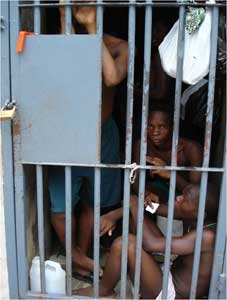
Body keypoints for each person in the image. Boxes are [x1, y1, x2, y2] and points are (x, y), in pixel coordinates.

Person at [48, 2, 128, 281]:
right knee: (59, 206)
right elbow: (65, 72)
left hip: (101, 134)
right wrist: (62, 16)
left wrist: (93, 27)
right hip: (65, 133)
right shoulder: (64, 40)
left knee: (91, 203)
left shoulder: (121, 46)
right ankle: (78, 258)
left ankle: (81, 256)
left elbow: (112, 77)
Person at [73, 183, 218, 299]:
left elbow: (151, 244)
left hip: (173, 294)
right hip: (169, 273)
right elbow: (154, 208)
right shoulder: (194, 217)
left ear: (199, 212)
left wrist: (134, 204)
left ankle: (104, 291)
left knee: (126, 243)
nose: (179, 198)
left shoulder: (206, 236)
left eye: (185, 199)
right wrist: (114, 215)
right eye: (182, 194)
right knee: (136, 217)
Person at [133, 103, 203, 204]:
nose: (155, 132)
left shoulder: (191, 149)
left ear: (172, 127)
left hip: (183, 197)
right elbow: (134, 178)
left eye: (161, 126)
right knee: (136, 201)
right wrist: (146, 193)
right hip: (158, 192)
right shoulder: (142, 144)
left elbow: (196, 194)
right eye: (150, 126)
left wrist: (169, 174)